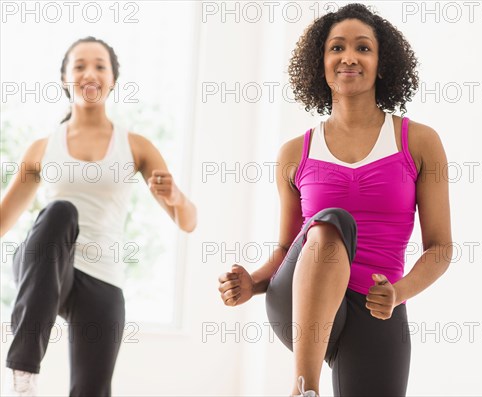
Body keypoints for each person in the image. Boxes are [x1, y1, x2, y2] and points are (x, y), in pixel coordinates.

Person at [218, 3, 452, 396]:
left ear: (382, 63)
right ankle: (303, 388)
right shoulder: (295, 152)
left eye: (363, 48)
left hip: (376, 302)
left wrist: (398, 292)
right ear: (320, 63)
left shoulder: (420, 141)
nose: (349, 57)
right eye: (336, 48)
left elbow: (440, 248)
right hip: (296, 301)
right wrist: (252, 282)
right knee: (330, 223)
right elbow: (285, 247)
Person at [0, 36, 197, 396]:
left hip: (102, 275)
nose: (89, 73)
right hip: (44, 265)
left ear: (113, 80)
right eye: (79, 66)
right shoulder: (42, 148)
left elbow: (188, 221)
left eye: (99, 66)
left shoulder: (136, 146)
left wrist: (176, 196)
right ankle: (23, 372)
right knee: (61, 211)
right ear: (64, 78)